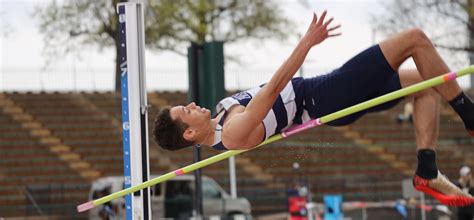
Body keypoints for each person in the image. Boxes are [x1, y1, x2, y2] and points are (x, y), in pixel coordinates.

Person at [153, 10, 474, 206]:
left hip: (323, 92)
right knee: (414, 38)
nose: (193, 104)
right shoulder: (232, 133)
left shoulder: (222, 115)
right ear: (191, 131)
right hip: (324, 97)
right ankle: (469, 116)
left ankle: (427, 168)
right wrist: (307, 41)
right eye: (186, 110)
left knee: (430, 80)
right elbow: (275, 87)